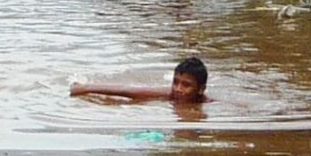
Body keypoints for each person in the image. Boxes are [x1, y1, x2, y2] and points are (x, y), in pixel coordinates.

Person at [70, 56, 209, 105]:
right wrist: (85, 88)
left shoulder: (208, 103)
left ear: (201, 89)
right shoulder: (168, 95)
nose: (178, 89)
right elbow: (127, 91)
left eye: (186, 85)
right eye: (175, 82)